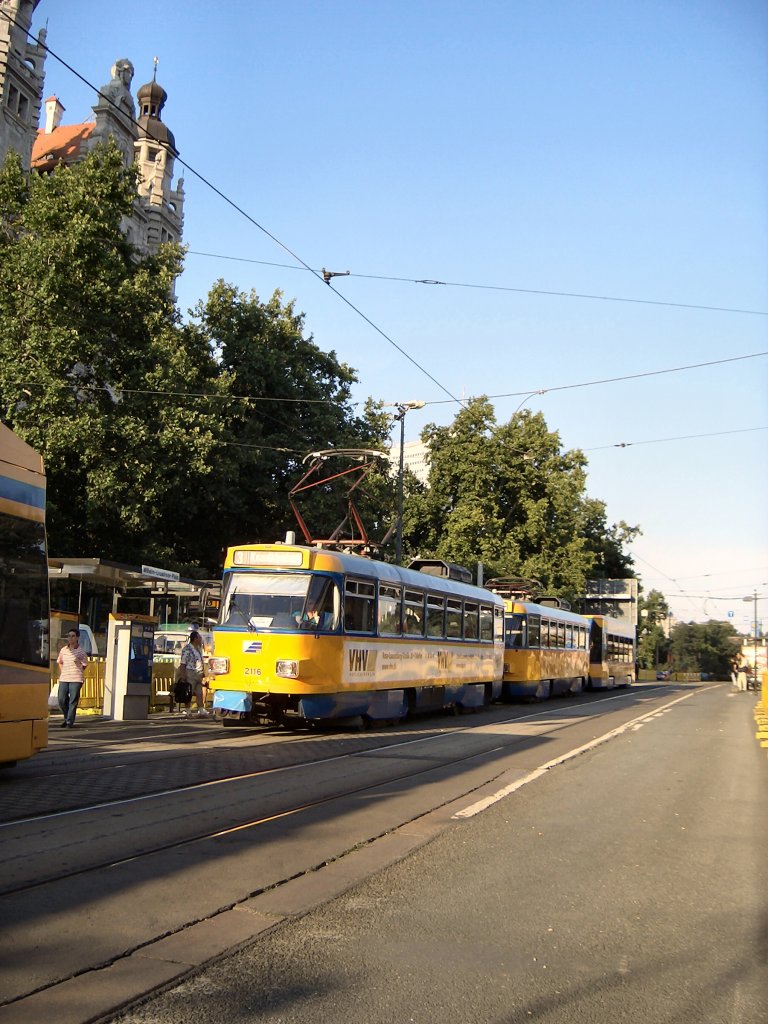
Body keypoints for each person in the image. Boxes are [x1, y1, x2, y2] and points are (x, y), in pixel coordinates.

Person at [56, 628, 89, 728]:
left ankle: (69, 721)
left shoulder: (81, 651)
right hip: (64, 678)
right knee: (61, 699)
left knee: (73, 700)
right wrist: (63, 671)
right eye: (69, 636)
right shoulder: (64, 650)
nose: (70, 638)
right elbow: (60, 661)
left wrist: (79, 665)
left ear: (77, 637)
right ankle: (67, 718)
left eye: (73, 636)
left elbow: (85, 664)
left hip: (76, 678)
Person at [178, 631, 209, 716]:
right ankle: (188, 710)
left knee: (199, 693)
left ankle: (201, 710)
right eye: (199, 638)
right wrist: (183, 675)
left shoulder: (198, 649)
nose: (200, 640)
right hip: (190, 672)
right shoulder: (187, 649)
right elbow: (183, 663)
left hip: (199, 673)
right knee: (189, 692)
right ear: (195, 639)